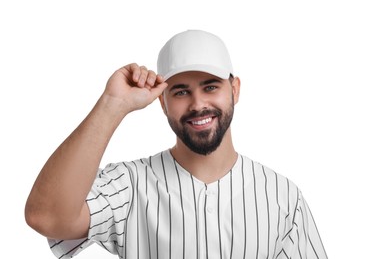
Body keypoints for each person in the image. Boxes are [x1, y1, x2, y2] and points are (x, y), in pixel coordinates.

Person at [25, 30, 327, 259]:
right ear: (162, 102)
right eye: (181, 92)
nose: (198, 104)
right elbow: (47, 217)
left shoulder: (282, 196)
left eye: (210, 87)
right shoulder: (130, 185)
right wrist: (112, 104)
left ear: (234, 89)